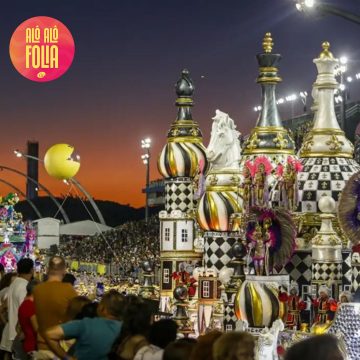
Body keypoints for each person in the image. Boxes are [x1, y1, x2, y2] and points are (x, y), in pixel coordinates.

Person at [44, 290, 124, 360]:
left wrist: (68, 358)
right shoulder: (126, 329)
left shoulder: (86, 324)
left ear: (102, 309)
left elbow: (50, 334)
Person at [33, 256, 77, 356]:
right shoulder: (69, 290)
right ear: (64, 271)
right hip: (60, 348)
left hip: (41, 346)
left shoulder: (37, 290)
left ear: (48, 270)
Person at [0, 258, 34, 358]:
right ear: (32, 270)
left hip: (12, 330)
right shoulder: (25, 286)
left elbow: (4, 305)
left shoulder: (14, 283)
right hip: (20, 333)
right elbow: (24, 312)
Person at [13, 279, 39, 359]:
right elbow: (37, 330)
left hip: (26, 345)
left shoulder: (24, 304)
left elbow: (17, 327)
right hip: (32, 347)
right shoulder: (30, 306)